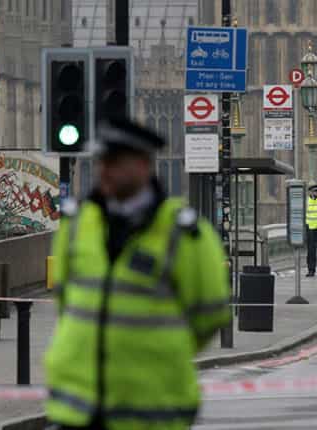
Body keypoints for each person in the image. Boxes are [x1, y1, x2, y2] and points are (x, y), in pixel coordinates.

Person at [44, 118, 231, 430]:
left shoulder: (184, 233)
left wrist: (159, 349)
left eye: (115, 162)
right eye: (102, 161)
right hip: (77, 408)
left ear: (144, 164)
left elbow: (209, 315)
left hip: (151, 409)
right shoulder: (76, 225)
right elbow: (65, 300)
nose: (104, 170)